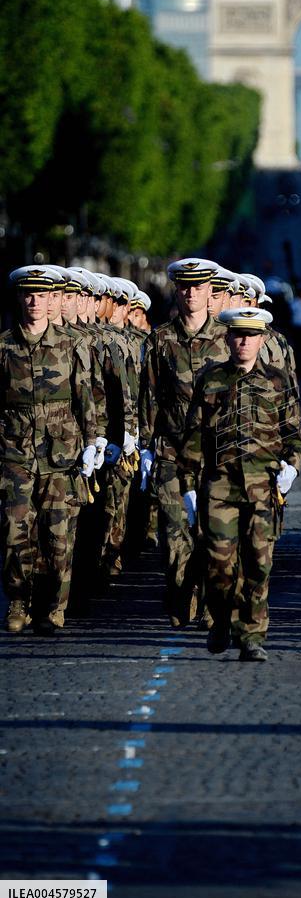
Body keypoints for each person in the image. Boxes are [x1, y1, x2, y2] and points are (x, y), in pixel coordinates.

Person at [179, 307, 301, 662]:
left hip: (264, 486)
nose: (244, 341)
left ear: (262, 339)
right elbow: (193, 438)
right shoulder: (211, 379)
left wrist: (292, 468)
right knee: (218, 564)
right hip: (219, 486)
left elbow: (294, 436)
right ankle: (220, 619)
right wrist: (188, 486)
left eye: (251, 335)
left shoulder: (278, 381)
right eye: (238, 334)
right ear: (228, 338)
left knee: (259, 563)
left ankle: (251, 634)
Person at [1, 266, 98, 634]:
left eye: (41, 295)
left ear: (50, 299)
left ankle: (54, 606)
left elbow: (85, 396)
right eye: (29, 295)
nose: (35, 302)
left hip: (61, 454)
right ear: (20, 299)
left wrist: (92, 443)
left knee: (58, 537)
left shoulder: (71, 345)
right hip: (15, 453)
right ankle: (18, 601)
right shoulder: (4, 347)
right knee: (15, 532)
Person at [139, 258, 230, 627]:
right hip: (172, 450)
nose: (191, 293)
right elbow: (149, 396)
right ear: (176, 290)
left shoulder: (227, 340)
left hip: (216, 451)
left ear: (211, 292)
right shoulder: (161, 340)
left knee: (212, 531)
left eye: (198, 287)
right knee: (175, 531)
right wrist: (145, 446)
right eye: (185, 287)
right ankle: (182, 593)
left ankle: (211, 602)